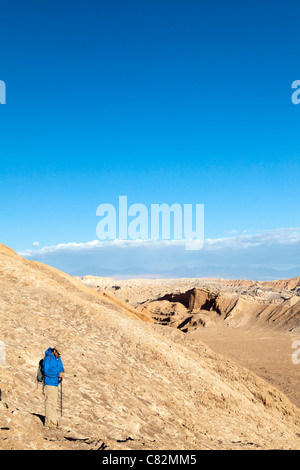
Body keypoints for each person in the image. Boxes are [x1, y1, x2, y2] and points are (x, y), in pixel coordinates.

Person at [42, 345, 65, 428]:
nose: (59, 355)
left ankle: (53, 422)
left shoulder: (58, 359)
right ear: (55, 350)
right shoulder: (48, 358)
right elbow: (46, 371)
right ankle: (49, 422)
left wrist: (62, 372)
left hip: (55, 383)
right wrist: (58, 374)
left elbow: (61, 368)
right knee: (49, 403)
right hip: (49, 383)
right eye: (58, 353)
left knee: (54, 404)